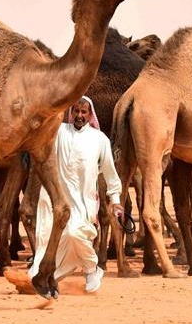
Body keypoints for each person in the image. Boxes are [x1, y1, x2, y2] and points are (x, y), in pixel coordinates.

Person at [27, 96, 124, 293]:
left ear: (90, 115)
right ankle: (47, 274)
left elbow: (110, 174)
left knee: (75, 233)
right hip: (56, 199)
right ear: (71, 113)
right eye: (76, 111)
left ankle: (91, 268)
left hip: (83, 201)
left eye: (84, 112)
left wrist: (115, 201)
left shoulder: (99, 140)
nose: (79, 115)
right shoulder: (59, 132)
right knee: (46, 242)